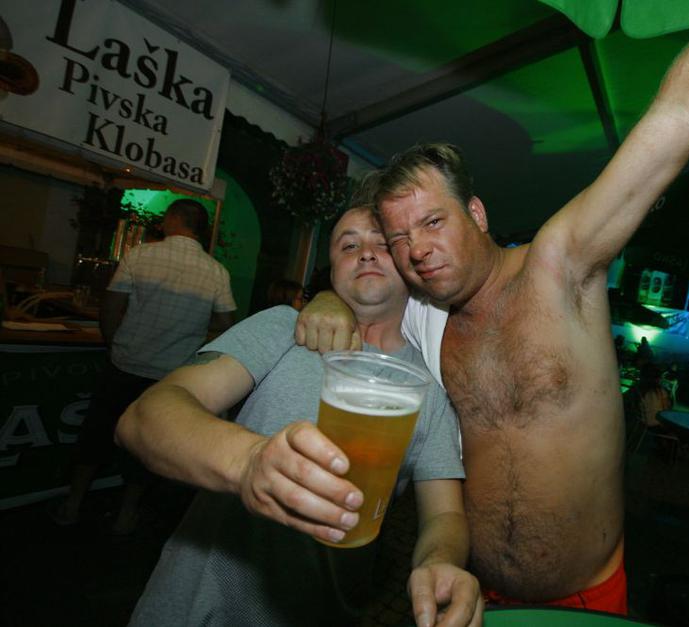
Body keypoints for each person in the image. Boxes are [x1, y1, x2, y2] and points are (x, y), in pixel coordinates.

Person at [297, 0, 689, 613]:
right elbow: (360, 287)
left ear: (476, 214)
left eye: (433, 222)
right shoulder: (423, 313)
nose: (417, 250)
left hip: (586, 595)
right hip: (477, 594)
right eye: (400, 238)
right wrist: (328, 300)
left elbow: (679, 117)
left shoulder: (557, 264)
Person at [115, 206, 482, 627]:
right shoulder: (284, 328)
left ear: (407, 262)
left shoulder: (428, 388)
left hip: (324, 611)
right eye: (348, 245)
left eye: (382, 243)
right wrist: (249, 462)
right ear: (333, 271)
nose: (365, 253)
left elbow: (444, 515)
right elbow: (142, 417)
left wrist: (440, 562)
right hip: (194, 607)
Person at [50, 198, 235, 533]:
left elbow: (111, 306)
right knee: (146, 446)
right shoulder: (216, 272)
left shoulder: (139, 255)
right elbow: (225, 324)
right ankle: (126, 515)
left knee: (96, 434)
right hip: (169, 377)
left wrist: (114, 343)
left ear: (173, 220)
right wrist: (194, 333)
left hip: (125, 364)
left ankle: (72, 505)